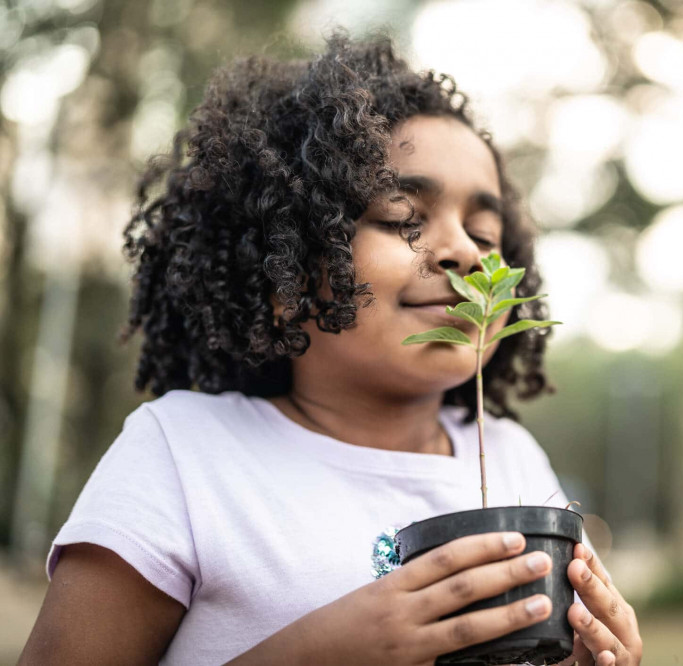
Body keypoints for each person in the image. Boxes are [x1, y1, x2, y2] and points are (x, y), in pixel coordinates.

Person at [19, 29, 643, 666]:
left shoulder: (512, 457)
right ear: (285, 272)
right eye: (405, 219)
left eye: (484, 231)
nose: (464, 251)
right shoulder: (181, 456)